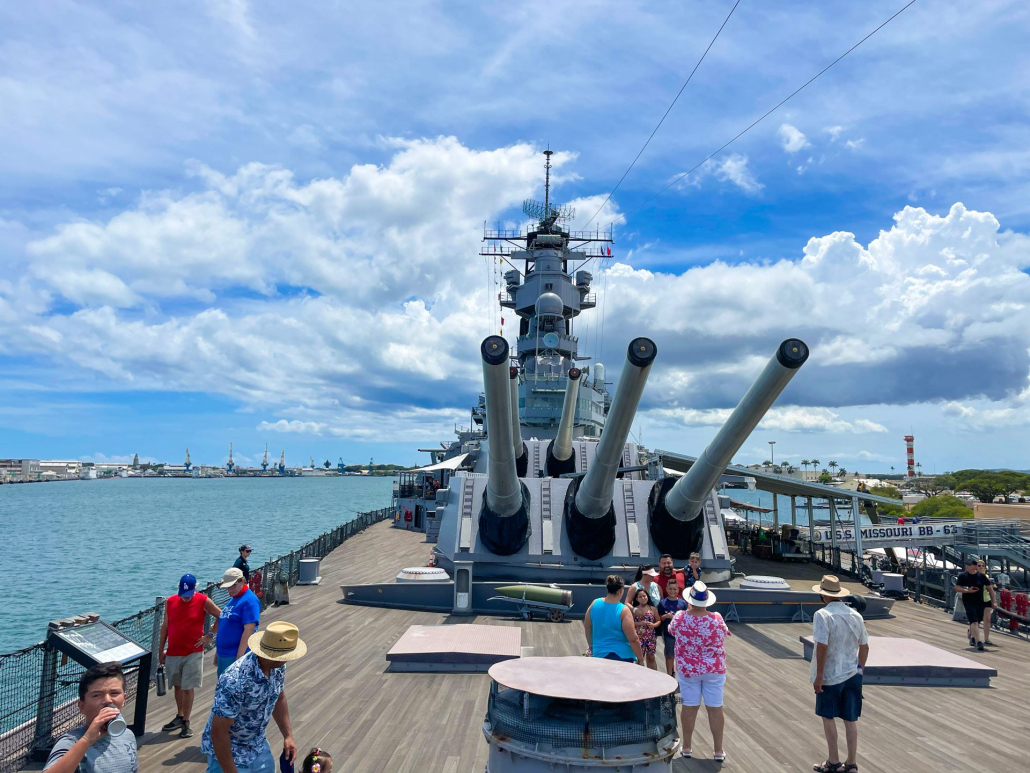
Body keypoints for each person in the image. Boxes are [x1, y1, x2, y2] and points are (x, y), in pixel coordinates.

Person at [201, 621, 306, 773]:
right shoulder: (235, 680)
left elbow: (278, 697)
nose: (289, 659)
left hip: (257, 746)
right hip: (230, 752)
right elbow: (218, 732)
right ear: (277, 656)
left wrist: (288, 736)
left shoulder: (278, 667)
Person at [810, 575, 869, 773]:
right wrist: (859, 669)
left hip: (830, 675)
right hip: (852, 674)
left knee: (828, 717)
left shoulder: (822, 615)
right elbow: (865, 646)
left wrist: (819, 676)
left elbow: (822, 647)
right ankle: (851, 763)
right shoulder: (856, 615)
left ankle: (833, 761)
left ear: (823, 595)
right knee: (850, 719)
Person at [668, 581, 729, 762]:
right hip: (714, 669)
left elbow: (671, 631)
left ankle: (687, 747)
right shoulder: (717, 618)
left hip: (688, 670)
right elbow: (725, 633)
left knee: (690, 706)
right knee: (715, 707)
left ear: (690, 600)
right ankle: (718, 751)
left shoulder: (680, 617)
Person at [44, 661, 138, 773]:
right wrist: (87, 739)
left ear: (124, 699)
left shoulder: (127, 735)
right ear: (82, 706)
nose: (108, 700)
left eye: (114, 693)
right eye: (97, 695)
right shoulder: (71, 742)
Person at [160, 573, 222, 738]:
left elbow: (221, 616)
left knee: (188, 686)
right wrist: (161, 650)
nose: (185, 598)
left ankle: (187, 722)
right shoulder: (170, 601)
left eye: (188, 595)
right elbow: (165, 627)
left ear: (195, 589)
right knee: (178, 685)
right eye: (183, 595)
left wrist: (209, 635)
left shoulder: (203, 600)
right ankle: (180, 716)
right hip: (173, 651)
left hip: (193, 652)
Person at [584, 574, 644, 663]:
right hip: (623, 657)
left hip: (599, 655)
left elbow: (587, 627)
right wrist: (641, 659)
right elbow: (633, 639)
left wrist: (592, 646)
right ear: (620, 590)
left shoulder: (594, 604)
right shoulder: (624, 610)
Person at [216, 567, 261, 676]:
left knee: (234, 691)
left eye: (233, 585)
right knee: (223, 690)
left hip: (234, 656)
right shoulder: (234, 598)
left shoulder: (249, 600)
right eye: (227, 587)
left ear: (242, 581)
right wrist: (217, 653)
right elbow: (224, 624)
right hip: (224, 655)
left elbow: (249, 630)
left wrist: (239, 659)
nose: (230, 590)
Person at [955, 557, 990, 651]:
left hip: (980, 601)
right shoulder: (963, 575)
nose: (966, 566)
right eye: (966, 565)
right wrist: (967, 591)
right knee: (974, 621)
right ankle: (979, 642)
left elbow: (990, 588)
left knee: (978, 620)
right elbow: (957, 588)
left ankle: (971, 634)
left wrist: (994, 601)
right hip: (968, 601)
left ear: (974, 566)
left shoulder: (982, 576)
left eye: (969, 565)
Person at [657, 580, 687, 675]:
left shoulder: (683, 603)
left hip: (681, 634)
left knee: (681, 655)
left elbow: (687, 618)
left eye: (674, 589)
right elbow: (659, 618)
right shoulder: (662, 603)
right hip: (668, 633)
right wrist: (665, 616)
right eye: (670, 589)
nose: (672, 591)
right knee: (669, 655)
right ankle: (670, 675)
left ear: (678, 590)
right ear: (666, 589)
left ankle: (682, 675)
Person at [630, 587, 660, 670]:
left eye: (644, 596)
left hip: (650, 636)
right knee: (640, 658)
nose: (643, 598)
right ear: (637, 599)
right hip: (639, 636)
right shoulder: (635, 610)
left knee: (651, 656)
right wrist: (640, 623)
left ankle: (654, 675)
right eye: (640, 597)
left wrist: (654, 625)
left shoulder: (652, 609)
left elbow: (658, 620)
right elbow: (630, 623)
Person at [977, 559, 998, 646]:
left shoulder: (986, 578)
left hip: (986, 600)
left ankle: (986, 638)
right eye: (979, 565)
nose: (981, 567)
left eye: (983, 566)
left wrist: (994, 601)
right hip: (976, 601)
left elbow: (991, 590)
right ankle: (972, 635)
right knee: (976, 620)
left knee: (987, 619)